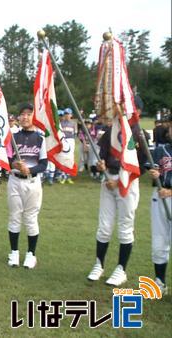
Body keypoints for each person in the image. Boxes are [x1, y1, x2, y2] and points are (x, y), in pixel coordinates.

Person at [86, 111, 147, 286]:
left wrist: (121, 182)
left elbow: (141, 166)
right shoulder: (110, 131)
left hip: (128, 183)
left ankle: (121, 269)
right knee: (104, 227)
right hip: (108, 181)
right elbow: (102, 157)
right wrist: (101, 166)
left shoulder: (138, 134)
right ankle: (99, 264)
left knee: (125, 227)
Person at [6, 104, 47, 269]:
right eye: (22, 114)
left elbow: (44, 164)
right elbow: (7, 159)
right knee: (14, 217)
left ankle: (31, 254)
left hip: (32, 182)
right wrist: (15, 164)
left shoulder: (40, 139)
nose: (25, 117)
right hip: (15, 180)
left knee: (30, 218)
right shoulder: (13, 137)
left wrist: (29, 169)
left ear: (34, 117)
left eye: (29, 114)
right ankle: (14, 252)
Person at [147, 120, 172, 295]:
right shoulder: (160, 150)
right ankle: (160, 282)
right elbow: (153, 170)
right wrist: (155, 174)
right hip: (160, 197)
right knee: (159, 242)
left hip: (168, 194)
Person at [59, 108, 77, 184]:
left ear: (71, 115)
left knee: (71, 157)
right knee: (64, 157)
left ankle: (69, 175)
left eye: (68, 114)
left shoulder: (73, 123)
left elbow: (75, 133)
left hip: (71, 140)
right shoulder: (61, 123)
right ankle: (63, 175)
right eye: (66, 114)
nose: (67, 115)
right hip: (64, 140)